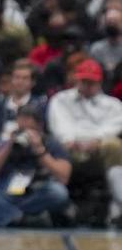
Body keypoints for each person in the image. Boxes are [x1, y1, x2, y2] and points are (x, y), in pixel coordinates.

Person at [0, 105, 71, 227]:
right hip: (5, 194)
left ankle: (5, 215)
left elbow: (63, 177)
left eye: (29, 129)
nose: (24, 134)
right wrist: (8, 146)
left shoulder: (51, 144)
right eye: (21, 129)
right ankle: (22, 218)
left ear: (39, 127)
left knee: (58, 193)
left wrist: (39, 150)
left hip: (34, 194)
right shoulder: (5, 144)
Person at [46, 58, 122, 224]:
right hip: (69, 150)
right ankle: (60, 205)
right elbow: (60, 126)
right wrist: (74, 141)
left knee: (115, 145)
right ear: (77, 79)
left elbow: (113, 127)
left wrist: (94, 141)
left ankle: (119, 204)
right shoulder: (60, 100)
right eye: (84, 81)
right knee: (53, 145)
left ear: (99, 82)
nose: (87, 85)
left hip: (99, 152)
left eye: (91, 82)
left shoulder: (113, 105)